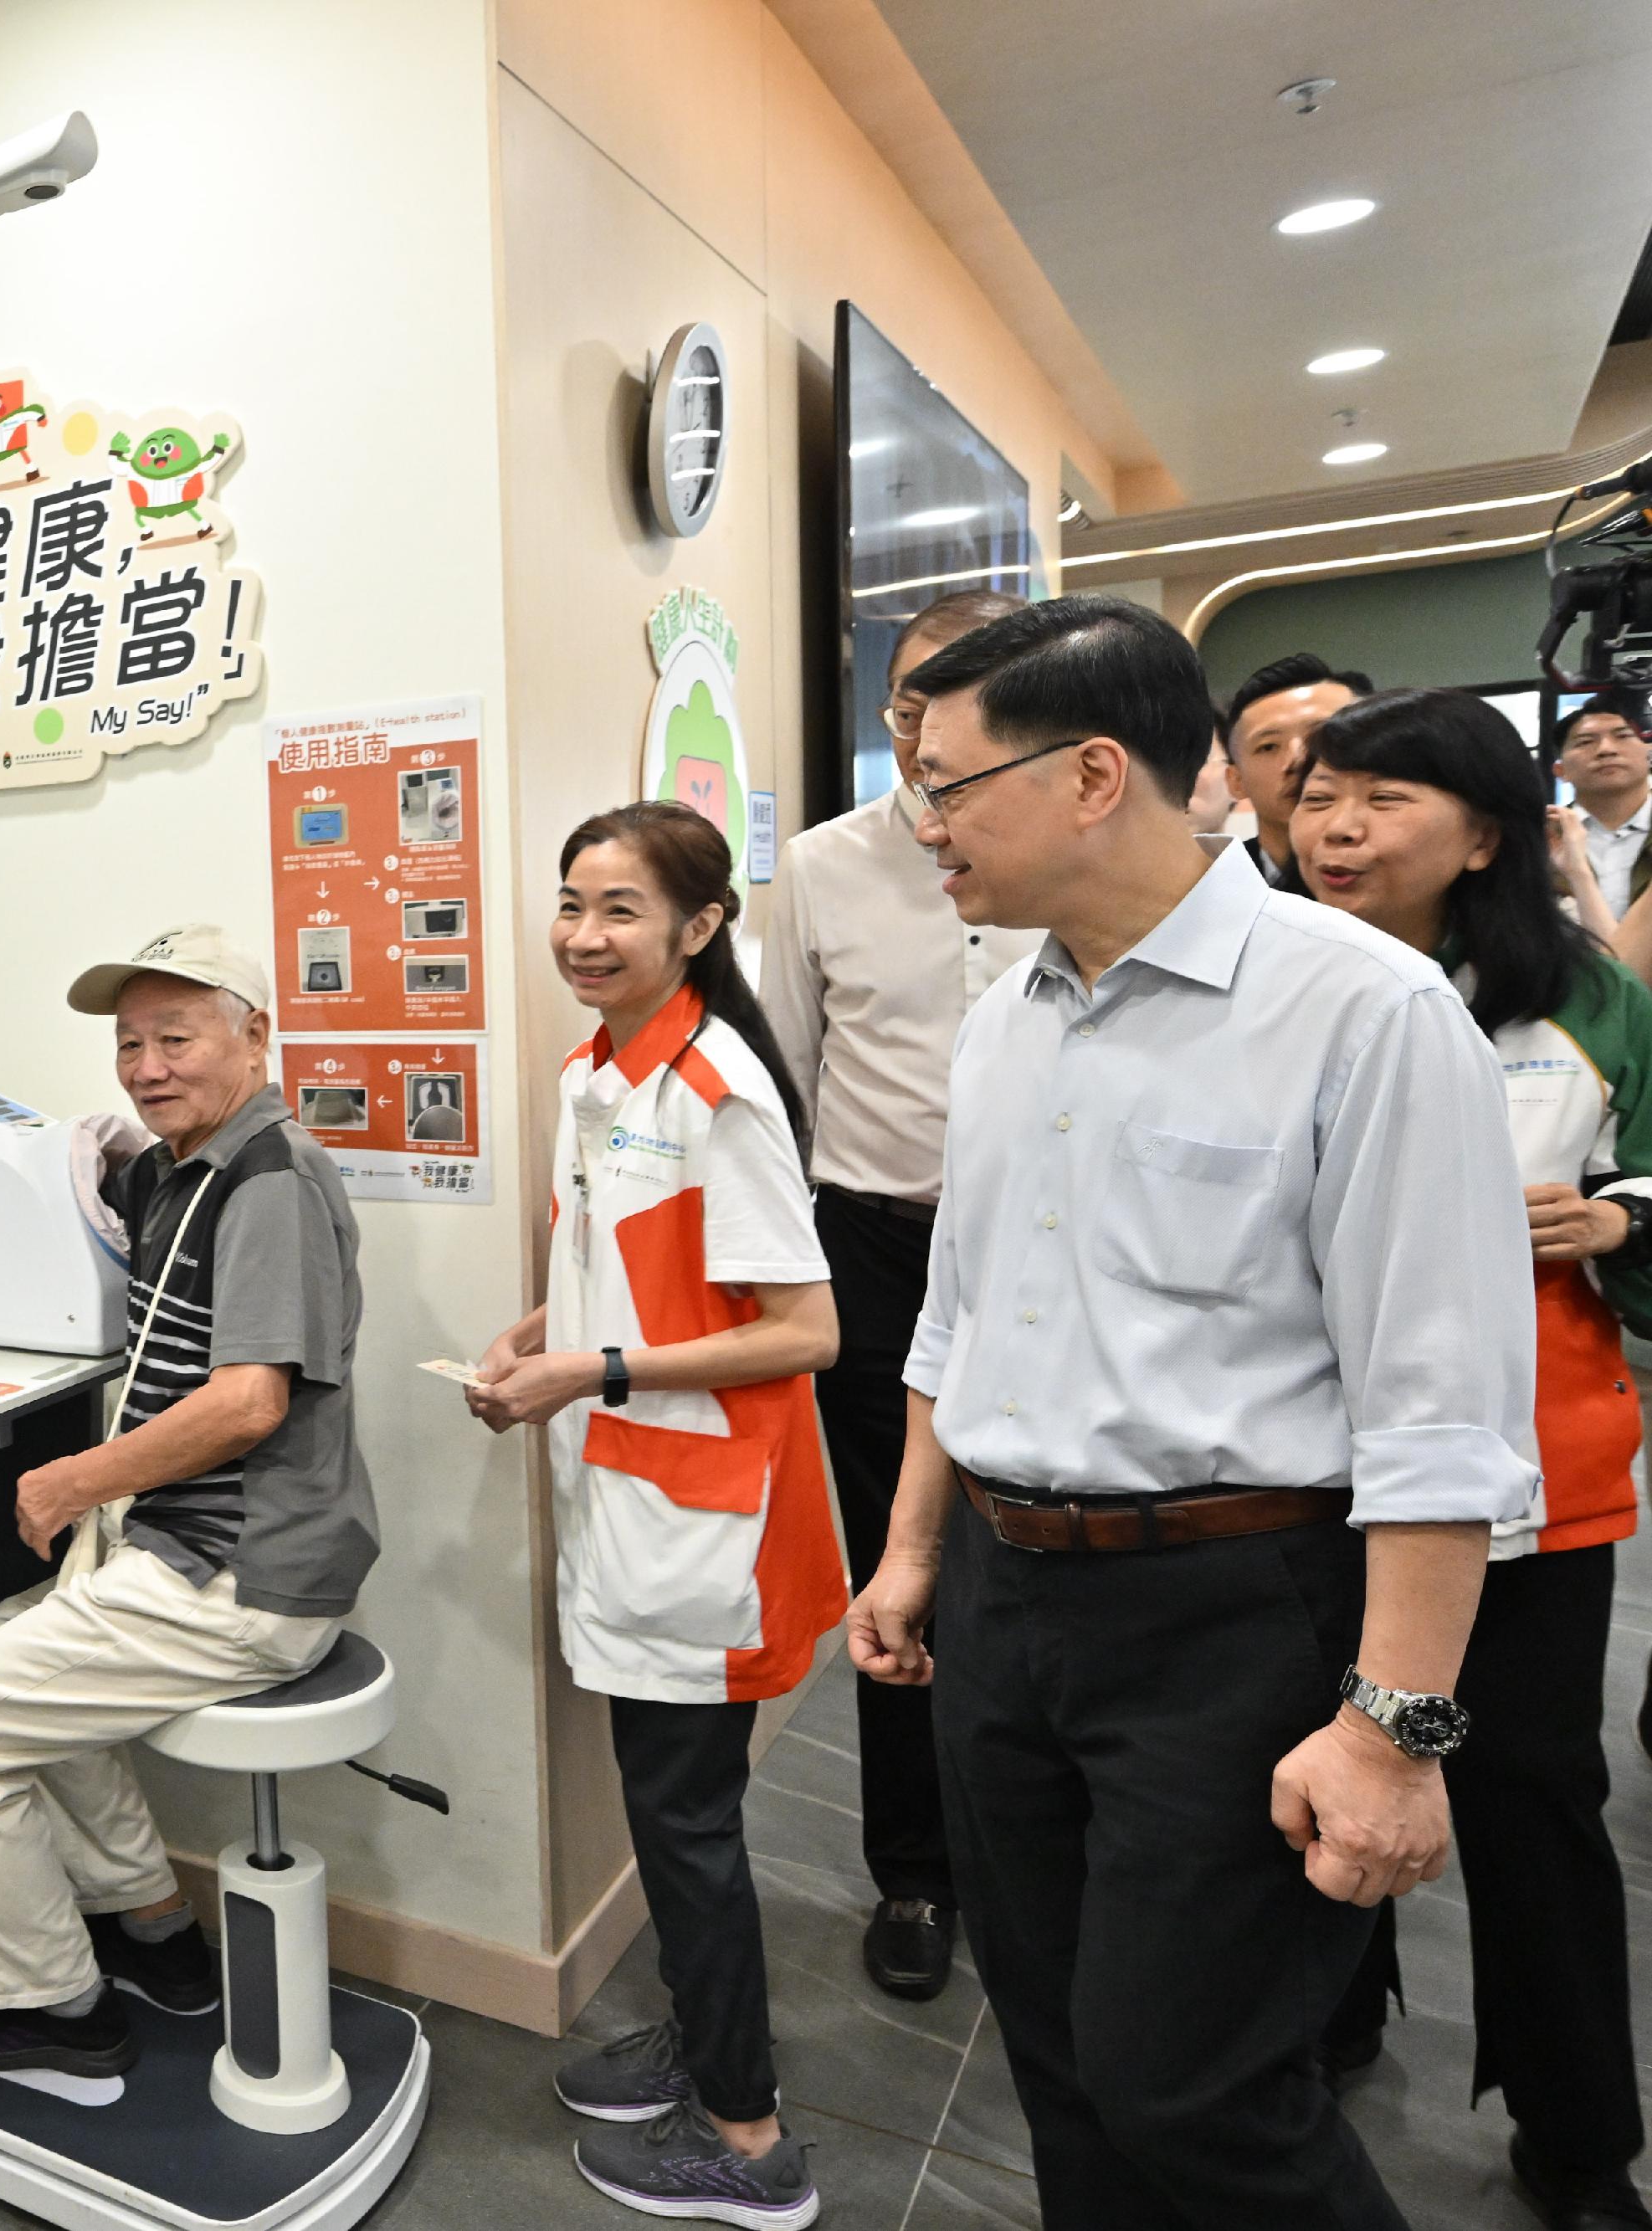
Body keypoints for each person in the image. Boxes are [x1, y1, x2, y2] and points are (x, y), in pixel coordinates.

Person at [844, 594, 1534, 2230]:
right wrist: (907, 1548)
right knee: (1063, 2059)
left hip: (1228, 1616)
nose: (915, 821)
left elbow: (1436, 1409)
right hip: (1005, 1606)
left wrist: (1390, 1733)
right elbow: (958, 1310)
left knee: (1197, 2089)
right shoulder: (1004, 1013)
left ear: (1090, 775)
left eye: (940, 782)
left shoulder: (1357, 1011)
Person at [0, 925, 375, 2079]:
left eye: (178, 1036)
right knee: (0, 1645)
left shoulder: (270, 1182)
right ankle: (155, 1927)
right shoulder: (183, 1169)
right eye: (131, 1043)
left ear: (255, 1037)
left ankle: (49, 2006)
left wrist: (79, 1478)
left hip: (245, 1572)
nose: (147, 1065)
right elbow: (30, 1231)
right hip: (190, 1545)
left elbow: (248, 1406)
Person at [1290, 690, 1652, 2231]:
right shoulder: (1274, 982)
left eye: (1382, 800)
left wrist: (1620, 1220)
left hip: (1536, 1473)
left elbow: (1648, 1164)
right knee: (1313, 1769)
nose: (1339, 829)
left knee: (1530, 1798)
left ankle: (1577, 2137)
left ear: (1486, 832)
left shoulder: (1581, 992)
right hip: (1311, 1467)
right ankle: (1331, 2022)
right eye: (1321, 798)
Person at [471, 801, 842, 2229]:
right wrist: (537, 1335)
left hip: (704, 1522)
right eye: (571, 902)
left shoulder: (714, 1088)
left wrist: (593, 1366)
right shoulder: (595, 1073)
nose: (582, 934)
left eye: (619, 908)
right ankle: (705, 2038)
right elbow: (619, 1277)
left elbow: (805, 1330)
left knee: (685, 1823)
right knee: (673, 1808)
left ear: (699, 927)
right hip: (630, 1491)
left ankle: (747, 2143)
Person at [761, 585, 1038, 2001]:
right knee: (895, 1561)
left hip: (1050, 1248)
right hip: (874, 1243)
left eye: (982, 684)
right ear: (891, 706)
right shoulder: (821, 864)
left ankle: (1047, 1857)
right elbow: (792, 1073)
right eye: (921, 691)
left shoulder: (1076, 853)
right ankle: (918, 1873)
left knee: (1046, 1548)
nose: (941, 715)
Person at [1223, 650, 1371, 888]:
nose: (1298, 759)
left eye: (1322, 734)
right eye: (1268, 746)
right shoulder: (1210, 889)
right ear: (1236, 781)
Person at [1549, 687, 1652, 932]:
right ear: (1561, 771)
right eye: (1585, 742)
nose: (1606, 749)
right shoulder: (1539, 838)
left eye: (1623, 736)